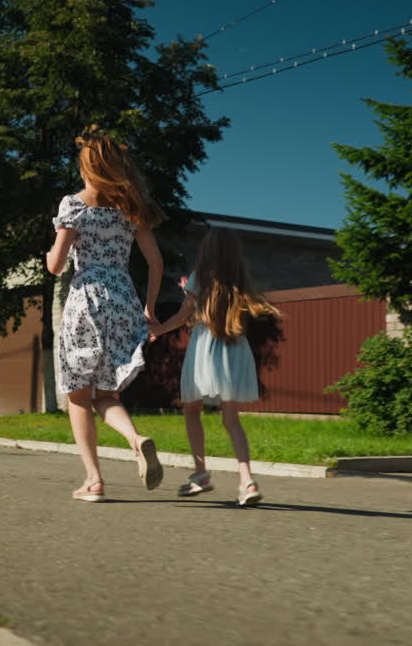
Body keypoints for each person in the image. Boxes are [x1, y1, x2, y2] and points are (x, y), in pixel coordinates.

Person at [46, 132, 165, 503]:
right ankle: (135, 438)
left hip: (86, 300)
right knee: (107, 393)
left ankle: (94, 480)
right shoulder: (130, 208)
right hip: (123, 299)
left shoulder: (74, 205)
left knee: (78, 396)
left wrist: (52, 248)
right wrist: (149, 307)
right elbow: (156, 263)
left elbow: (56, 265)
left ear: (87, 166)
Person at [148, 227, 281, 506]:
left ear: (207, 252)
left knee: (192, 409)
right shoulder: (240, 280)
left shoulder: (200, 279)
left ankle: (200, 474)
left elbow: (183, 317)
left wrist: (158, 330)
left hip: (205, 348)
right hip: (235, 348)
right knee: (232, 420)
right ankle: (247, 480)